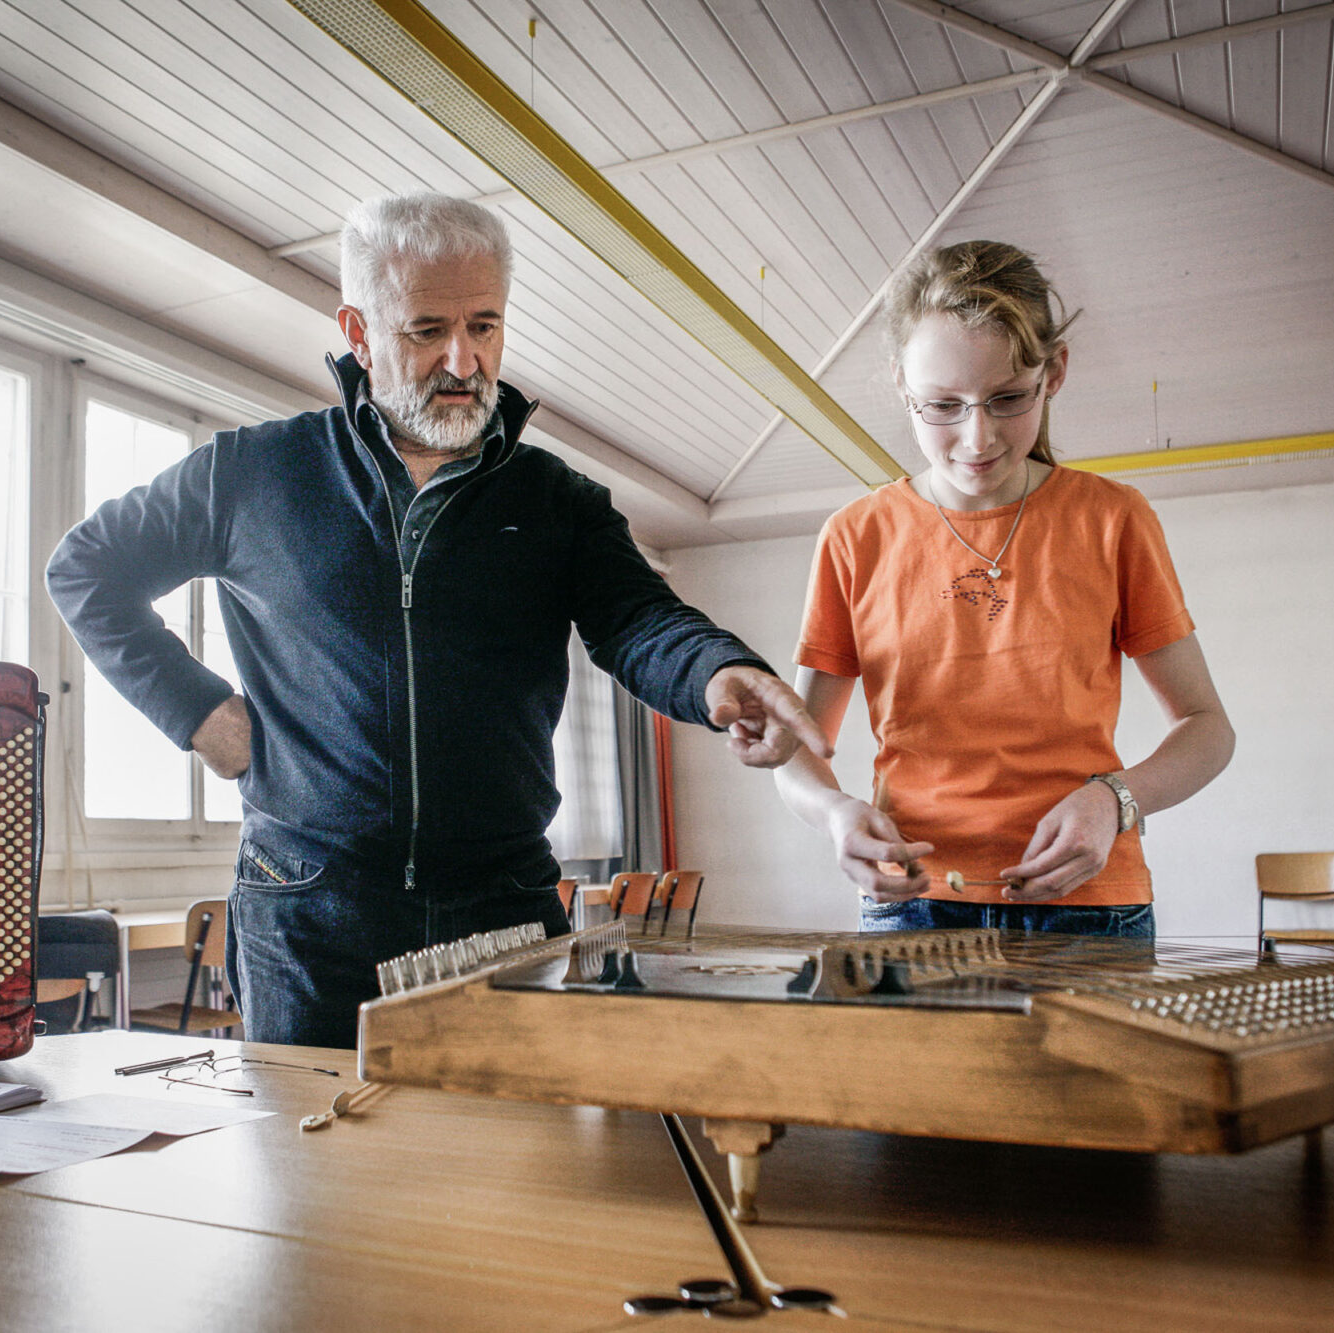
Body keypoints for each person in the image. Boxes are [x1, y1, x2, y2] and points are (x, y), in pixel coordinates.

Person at [48, 192, 827, 1047]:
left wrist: (717, 670)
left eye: (485, 326)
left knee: (506, 1168)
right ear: (359, 330)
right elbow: (85, 569)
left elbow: (640, 619)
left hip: (503, 906)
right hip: (309, 909)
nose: (465, 360)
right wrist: (200, 715)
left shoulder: (555, 500)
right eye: (427, 331)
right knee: (316, 1170)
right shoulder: (254, 474)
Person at [774, 240, 1234, 938]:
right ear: (903, 386)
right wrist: (835, 812)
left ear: (1054, 374)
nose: (977, 437)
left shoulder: (1114, 520)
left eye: (1008, 398)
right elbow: (798, 749)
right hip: (913, 901)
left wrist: (1115, 800)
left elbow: (1208, 729)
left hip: (1089, 904)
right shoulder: (854, 536)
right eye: (942, 406)